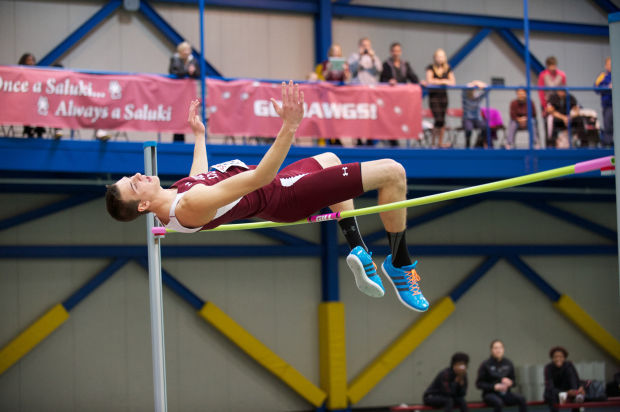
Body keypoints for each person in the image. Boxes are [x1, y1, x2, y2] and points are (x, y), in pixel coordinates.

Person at [105, 81, 429, 312]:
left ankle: (358, 249)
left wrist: (200, 136)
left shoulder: (176, 201)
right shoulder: (188, 206)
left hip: (281, 187)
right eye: (133, 185)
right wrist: (289, 126)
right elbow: (261, 176)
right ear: (143, 205)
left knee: (331, 159)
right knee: (393, 171)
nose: (136, 176)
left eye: (130, 177)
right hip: (285, 195)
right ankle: (400, 264)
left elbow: (199, 179)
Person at [380, 42, 419, 147]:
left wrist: (420, 82)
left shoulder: (405, 64)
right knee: (390, 120)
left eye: (398, 51)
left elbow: (413, 78)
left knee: (402, 119)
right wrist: (389, 81)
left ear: (400, 52)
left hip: (402, 99)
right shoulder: (386, 65)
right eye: (394, 51)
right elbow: (381, 80)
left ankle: (405, 142)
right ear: (391, 52)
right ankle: (392, 141)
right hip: (390, 99)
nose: (396, 53)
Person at [476, 339, 527, 412]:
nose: (498, 350)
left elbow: (514, 382)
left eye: (500, 348)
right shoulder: (485, 364)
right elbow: (479, 384)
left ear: (503, 349)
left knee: (521, 399)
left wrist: (510, 383)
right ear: (491, 350)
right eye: (495, 348)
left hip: (505, 393)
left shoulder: (508, 363)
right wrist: (494, 387)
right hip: (490, 394)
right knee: (498, 403)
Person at [169, 41, 201, 143]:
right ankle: (177, 139)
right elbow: (173, 72)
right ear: (180, 51)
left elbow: (198, 73)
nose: (187, 52)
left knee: (187, 113)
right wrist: (187, 71)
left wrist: (193, 72)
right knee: (177, 114)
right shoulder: (175, 59)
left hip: (188, 94)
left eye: (188, 50)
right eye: (185, 50)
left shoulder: (193, 60)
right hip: (177, 93)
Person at [425, 49, 455, 148]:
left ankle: (440, 143)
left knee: (442, 120)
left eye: (442, 56)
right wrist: (443, 81)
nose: (440, 58)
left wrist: (437, 81)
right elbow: (429, 80)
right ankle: (433, 142)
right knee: (437, 119)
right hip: (434, 97)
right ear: (435, 58)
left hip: (443, 97)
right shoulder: (430, 68)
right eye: (438, 56)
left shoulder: (447, 68)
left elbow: (452, 82)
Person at [543, 346, 585, 412]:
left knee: (579, 393)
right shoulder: (548, 368)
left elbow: (576, 379)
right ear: (552, 358)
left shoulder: (569, 365)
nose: (558, 359)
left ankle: (577, 396)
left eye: (560, 356)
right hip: (555, 393)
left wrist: (580, 388)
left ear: (564, 358)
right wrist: (566, 392)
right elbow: (550, 387)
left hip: (570, 391)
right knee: (551, 395)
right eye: (555, 357)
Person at [18, 53, 46, 139]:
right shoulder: (18, 72)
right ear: (23, 62)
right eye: (29, 60)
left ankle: (39, 129)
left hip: (35, 99)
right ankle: (27, 129)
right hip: (23, 99)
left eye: (33, 60)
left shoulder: (37, 73)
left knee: (42, 105)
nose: (31, 62)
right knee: (27, 105)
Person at [461, 80, 489, 148]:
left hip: (477, 118)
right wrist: (474, 83)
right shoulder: (465, 97)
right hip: (467, 118)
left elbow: (487, 89)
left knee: (485, 127)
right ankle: (467, 145)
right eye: (470, 90)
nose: (471, 91)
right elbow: (464, 88)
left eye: (473, 90)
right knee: (469, 128)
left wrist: (479, 83)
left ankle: (479, 143)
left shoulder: (477, 97)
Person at [594, 57, 613, 147]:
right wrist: (607, 87)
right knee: (608, 126)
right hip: (608, 105)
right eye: (609, 64)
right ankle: (608, 144)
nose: (611, 66)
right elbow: (596, 88)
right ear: (606, 66)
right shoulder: (603, 76)